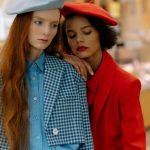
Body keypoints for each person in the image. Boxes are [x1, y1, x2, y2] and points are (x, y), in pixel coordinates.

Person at [0, 0, 94, 150]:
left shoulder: (71, 73)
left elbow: (85, 138)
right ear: (23, 23)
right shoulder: (3, 74)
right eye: (38, 22)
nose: (47, 31)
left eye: (54, 25)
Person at [61, 2, 146, 150]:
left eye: (87, 32)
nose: (78, 40)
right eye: (71, 35)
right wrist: (62, 56)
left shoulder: (126, 84)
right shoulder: (65, 78)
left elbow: (134, 145)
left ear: (101, 34)